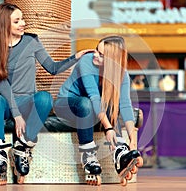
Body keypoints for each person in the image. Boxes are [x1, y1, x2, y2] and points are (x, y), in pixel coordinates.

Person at [0, 2, 92, 185]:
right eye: (17, 21)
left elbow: (52, 68)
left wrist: (76, 57)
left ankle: (22, 148)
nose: (23, 23)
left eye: (22, 19)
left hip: (27, 100)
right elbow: (3, 86)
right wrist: (17, 115)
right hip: (5, 103)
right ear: (4, 24)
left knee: (45, 98)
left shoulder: (31, 41)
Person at [54, 35, 143, 186]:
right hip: (66, 104)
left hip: (90, 108)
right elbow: (94, 98)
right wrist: (108, 128)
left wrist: (133, 141)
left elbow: (125, 105)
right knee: (87, 103)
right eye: (96, 49)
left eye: (101, 55)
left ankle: (120, 152)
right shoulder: (86, 62)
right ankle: (88, 156)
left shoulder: (122, 74)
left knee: (110, 104)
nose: (95, 54)